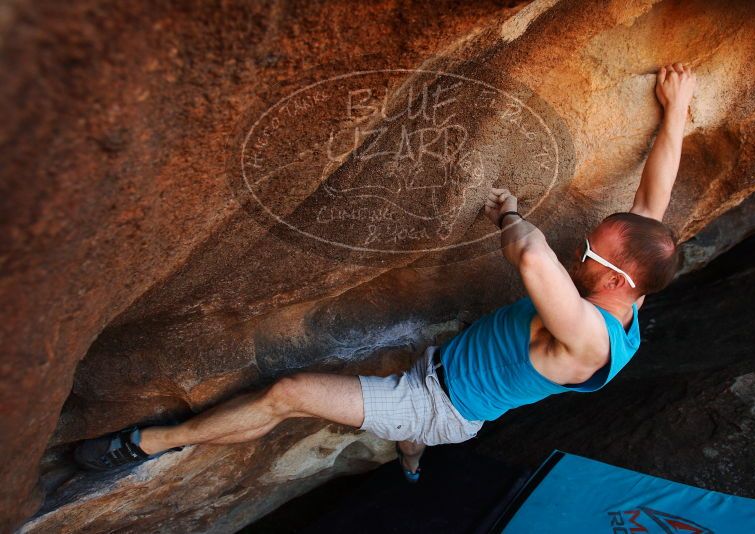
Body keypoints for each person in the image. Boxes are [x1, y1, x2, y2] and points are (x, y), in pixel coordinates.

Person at [75, 63, 696, 483]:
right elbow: (650, 206)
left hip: (434, 404)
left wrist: (509, 216)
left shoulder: (589, 340)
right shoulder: (632, 287)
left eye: (590, 254)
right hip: (446, 376)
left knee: (285, 396)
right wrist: (677, 111)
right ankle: (411, 464)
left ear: (616, 281)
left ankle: (146, 444)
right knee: (416, 420)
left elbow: (532, 256)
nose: (579, 252)